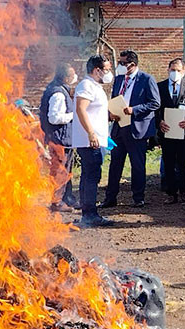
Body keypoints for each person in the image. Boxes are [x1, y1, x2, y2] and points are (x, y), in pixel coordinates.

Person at [101, 50, 161, 208]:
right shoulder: (119, 79)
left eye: (122, 63)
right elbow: (115, 98)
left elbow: (155, 103)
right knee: (115, 163)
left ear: (132, 65)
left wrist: (134, 109)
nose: (119, 66)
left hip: (137, 127)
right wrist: (110, 112)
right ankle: (110, 198)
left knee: (137, 164)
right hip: (119, 126)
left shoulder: (147, 79)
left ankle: (138, 197)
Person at [72, 55, 114, 228]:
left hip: (94, 140)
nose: (109, 73)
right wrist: (91, 133)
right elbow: (81, 109)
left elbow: (93, 110)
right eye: (107, 69)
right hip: (90, 141)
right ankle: (89, 214)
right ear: (97, 70)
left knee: (89, 176)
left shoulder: (94, 86)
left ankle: (88, 213)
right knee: (91, 177)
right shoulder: (87, 85)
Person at [156, 58, 185, 204]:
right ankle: (170, 192)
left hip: (183, 131)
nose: (175, 73)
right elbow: (155, 107)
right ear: (168, 70)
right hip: (167, 131)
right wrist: (159, 122)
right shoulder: (160, 86)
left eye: (178, 70)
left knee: (183, 162)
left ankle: (184, 190)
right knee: (168, 162)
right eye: (173, 70)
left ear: (184, 71)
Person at [39, 62, 78, 212]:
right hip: (59, 139)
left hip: (60, 138)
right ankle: (57, 202)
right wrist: (74, 115)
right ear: (66, 78)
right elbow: (54, 118)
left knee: (65, 171)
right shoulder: (58, 94)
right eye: (72, 75)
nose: (75, 77)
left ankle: (68, 198)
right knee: (59, 171)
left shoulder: (56, 89)